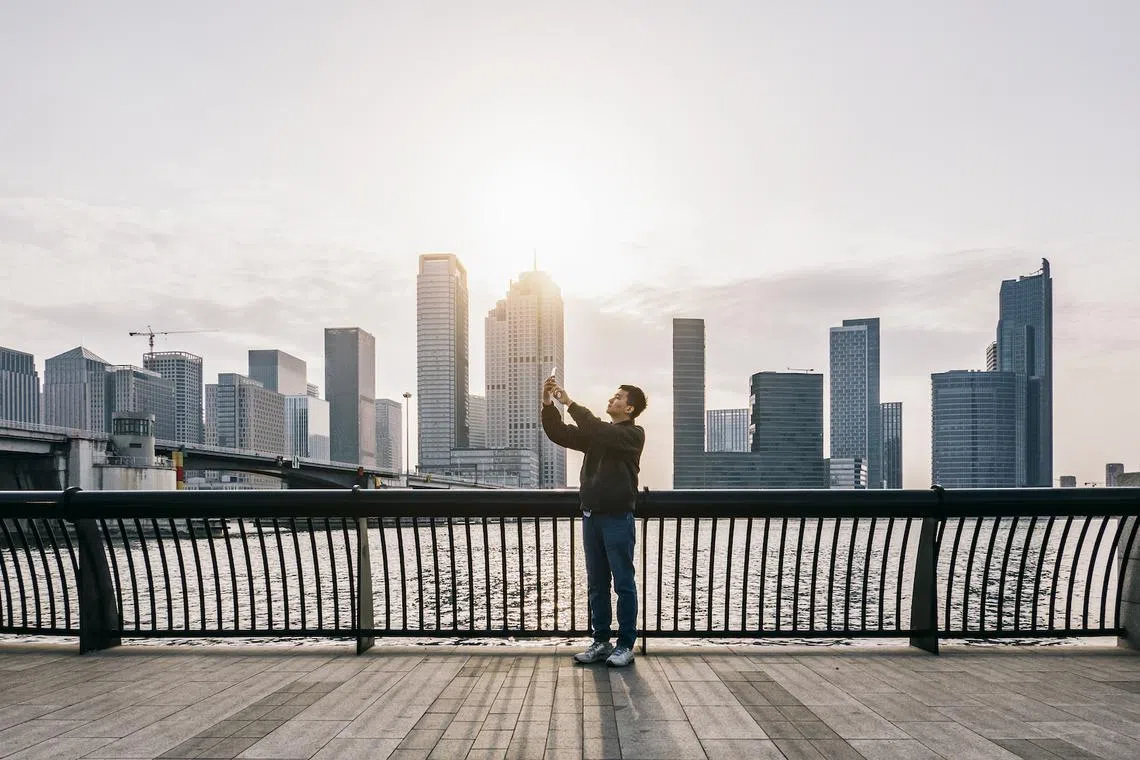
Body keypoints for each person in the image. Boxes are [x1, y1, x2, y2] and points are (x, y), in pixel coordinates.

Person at [541, 376, 647, 667]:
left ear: (630, 409)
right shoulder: (598, 434)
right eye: (613, 396)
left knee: (623, 584)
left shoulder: (633, 435)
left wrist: (570, 402)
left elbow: (595, 428)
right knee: (597, 584)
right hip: (592, 517)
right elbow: (559, 433)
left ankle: (625, 645)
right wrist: (548, 403)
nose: (612, 400)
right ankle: (601, 642)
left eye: (618, 397)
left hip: (617, 519)